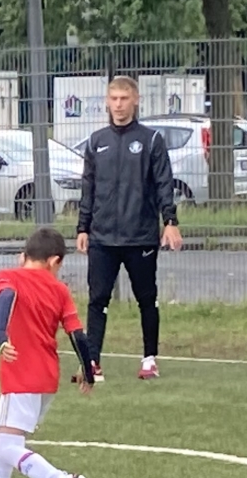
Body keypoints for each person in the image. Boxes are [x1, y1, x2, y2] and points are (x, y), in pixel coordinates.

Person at [0, 226, 93, 478]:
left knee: (9, 444)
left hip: (20, 374)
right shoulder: (60, 290)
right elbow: (77, 334)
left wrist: (2, 336)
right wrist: (88, 370)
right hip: (46, 378)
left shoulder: (8, 276)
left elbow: (7, 297)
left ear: (23, 256)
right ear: (55, 261)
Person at [74, 75, 182, 381]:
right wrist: (83, 227)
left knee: (146, 298)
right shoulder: (96, 141)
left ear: (135, 101)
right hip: (102, 237)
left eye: (124, 98)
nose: (119, 105)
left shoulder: (151, 140)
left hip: (140, 236)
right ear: (107, 102)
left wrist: (170, 222)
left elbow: (164, 184)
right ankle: (93, 362)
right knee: (98, 299)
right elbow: (88, 188)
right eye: (114, 99)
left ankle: (149, 359)